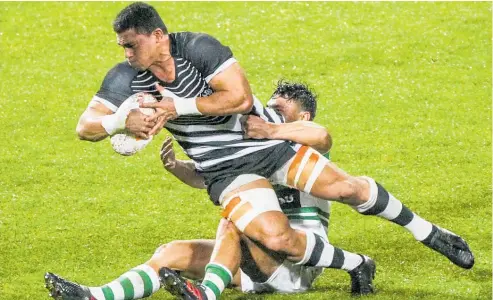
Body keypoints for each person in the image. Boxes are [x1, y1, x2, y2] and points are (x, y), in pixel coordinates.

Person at [71, 2, 473, 299]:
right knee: (265, 234)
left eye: (131, 45)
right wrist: (117, 122)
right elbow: (84, 128)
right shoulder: (127, 77)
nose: (127, 54)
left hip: (265, 144)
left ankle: (430, 233)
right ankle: (107, 297)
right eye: (122, 47)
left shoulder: (199, 49)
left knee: (346, 189)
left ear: (157, 35)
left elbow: (240, 98)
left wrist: (179, 106)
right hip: (226, 171)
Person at [45, 82, 375, 300]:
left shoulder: (310, 151)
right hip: (257, 258)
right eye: (269, 107)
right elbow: (210, 177)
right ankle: (94, 296)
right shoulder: (258, 144)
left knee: (237, 215)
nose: (268, 113)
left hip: (296, 266)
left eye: (280, 109)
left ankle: (206, 293)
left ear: (301, 117)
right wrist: (178, 167)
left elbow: (320, 135)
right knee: (171, 252)